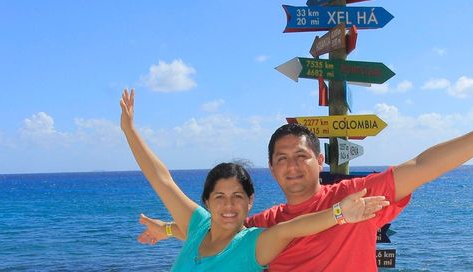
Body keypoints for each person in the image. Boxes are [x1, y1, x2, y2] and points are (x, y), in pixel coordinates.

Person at [138, 89, 473, 271]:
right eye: (281, 159)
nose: (292, 166)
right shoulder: (267, 222)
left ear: (320, 160)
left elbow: (423, 165)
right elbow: (224, 234)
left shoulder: (356, 195)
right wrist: (170, 229)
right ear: (272, 169)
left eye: (301, 156)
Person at [119, 89, 390, 271]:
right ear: (207, 203)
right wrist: (129, 130)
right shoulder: (199, 226)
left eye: (237, 196)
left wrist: (340, 213)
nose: (228, 205)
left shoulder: (253, 243)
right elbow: (161, 180)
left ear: (250, 202)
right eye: (220, 197)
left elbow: (291, 229)